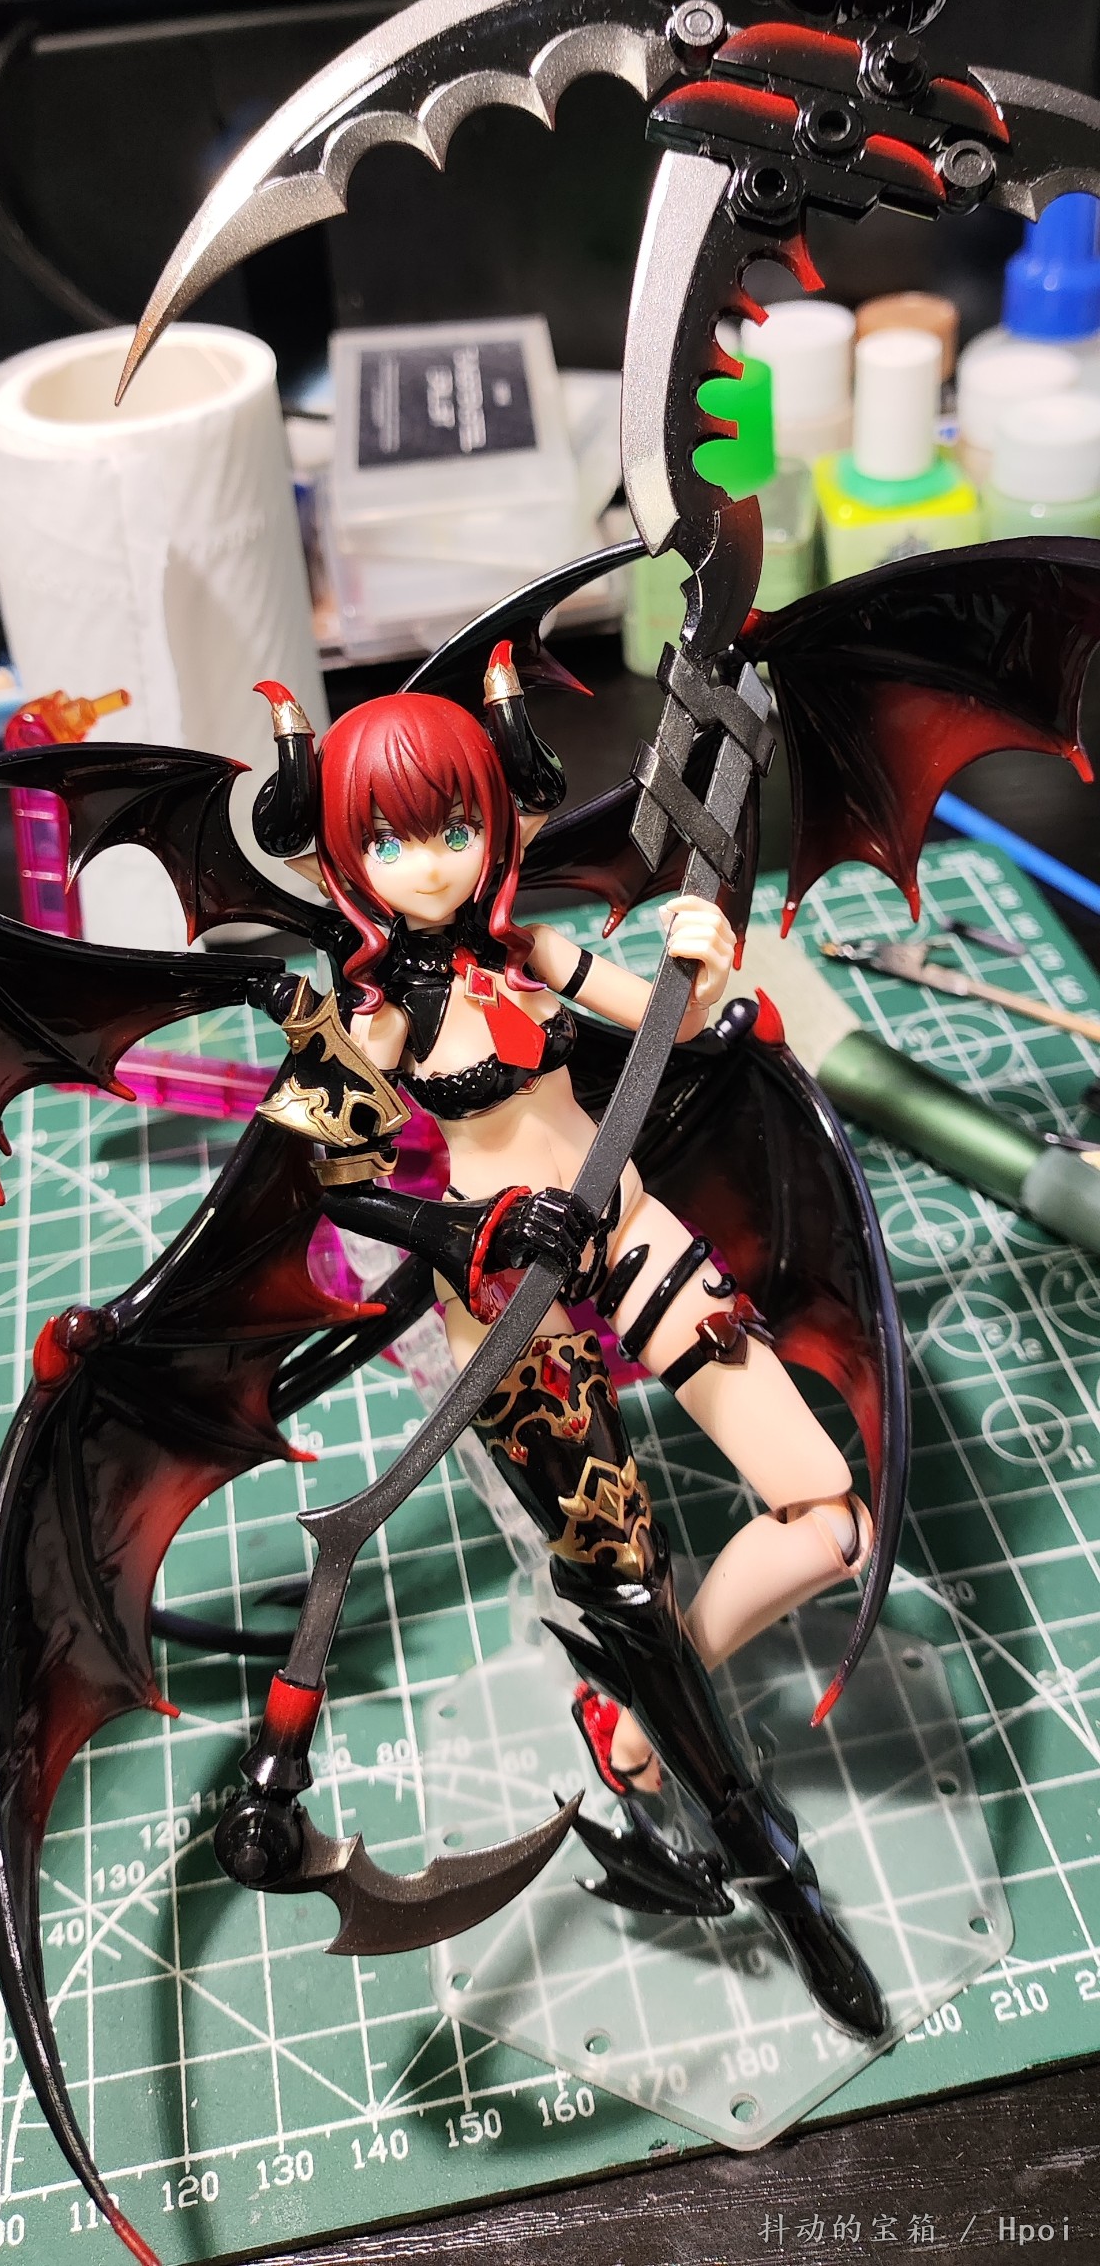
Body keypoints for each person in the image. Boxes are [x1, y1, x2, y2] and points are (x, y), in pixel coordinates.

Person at [253, 667, 884, 2036]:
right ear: (346, 857)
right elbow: (336, 1186)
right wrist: (468, 1228)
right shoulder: (373, 1017)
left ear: (496, 821)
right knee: (627, 1589)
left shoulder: (529, 952)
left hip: (631, 1231)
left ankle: (643, 1725)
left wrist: (705, 958)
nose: (431, 862)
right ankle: (753, 1847)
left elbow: (664, 1018)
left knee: (828, 1519)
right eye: (390, 839)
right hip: (507, 1307)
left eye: (452, 827)